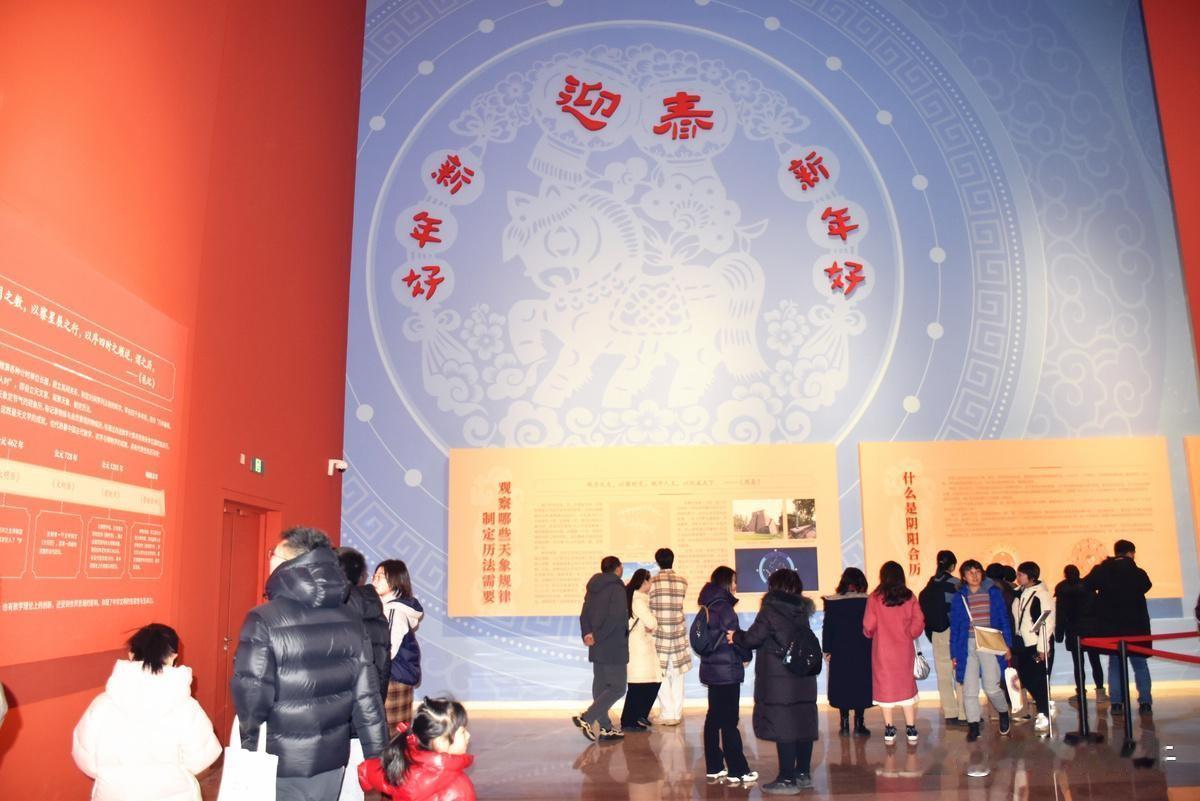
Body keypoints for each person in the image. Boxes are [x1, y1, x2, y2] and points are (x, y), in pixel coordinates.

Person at [232, 526, 388, 801]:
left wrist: (248, 744)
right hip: (333, 760)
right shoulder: (350, 618)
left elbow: (252, 697)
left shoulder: (263, 619)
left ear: (287, 562)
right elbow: (367, 697)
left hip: (281, 762)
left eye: (272, 554)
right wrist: (377, 755)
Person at [72, 624, 221, 801]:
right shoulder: (186, 707)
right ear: (173, 657)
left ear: (131, 655)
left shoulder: (101, 705)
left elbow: (85, 758)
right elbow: (202, 757)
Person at [731, 568, 818, 794]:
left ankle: (786, 779)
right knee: (803, 724)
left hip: (780, 680)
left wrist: (735, 636)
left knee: (784, 727)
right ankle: (803, 774)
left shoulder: (770, 609)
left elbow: (753, 638)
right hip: (803, 677)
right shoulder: (801, 611)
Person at [339, 547, 392, 801]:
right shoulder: (376, 612)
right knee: (354, 789)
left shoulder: (337, 613)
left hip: (337, 719)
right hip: (366, 715)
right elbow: (382, 668)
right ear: (361, 576)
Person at [698, 566, 756, 785]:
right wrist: (746, 655)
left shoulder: (709, 605)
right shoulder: (725, 608)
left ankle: (714, 767)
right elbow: (734, 638)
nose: (736, 585)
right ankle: (738, 770)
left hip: (712, 669)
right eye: (734, 580)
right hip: (727, 671)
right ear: (726, 582)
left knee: (714, 718)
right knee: (730, 720)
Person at [1085, 539, 1153, 716]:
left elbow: (1086, 585)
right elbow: (1147, 586)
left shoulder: (1102, 570)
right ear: (1131, 553)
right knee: (1140, 665)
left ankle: (1116, 703)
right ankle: (1145, 702)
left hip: (1111, 627)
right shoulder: (1138, 573)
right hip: (1136, 628)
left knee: (1114, 665)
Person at [358, 697, 475, 801]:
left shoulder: (399, 766)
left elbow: (367, 769)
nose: (468, 735)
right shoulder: (461, 788)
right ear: (439, 742)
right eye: (463, 732)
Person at [862, 561, 925, 745]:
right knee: (906, 687)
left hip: (882, 650)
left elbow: (868, 625)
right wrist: (909, 633)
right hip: (904, 650)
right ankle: (911, 728)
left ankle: (889, 729)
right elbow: (919, 620)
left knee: (885, 688)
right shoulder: (909, 596)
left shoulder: (874, 598)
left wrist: (870, 634)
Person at [950, 559, 1012, 742]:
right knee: (969, 690)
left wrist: (1007, 645)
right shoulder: (959, 597)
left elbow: (1004, 620)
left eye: (977, 571)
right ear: (963, 576)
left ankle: (1003, 712)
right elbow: (955, 628)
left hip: (989, 643)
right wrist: (954, 653)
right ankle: (973, 725)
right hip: (967, 646)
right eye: (970, 572)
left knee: (992, 687)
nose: (974, 575)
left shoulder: (993, 593)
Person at [574, 555, 629, 741]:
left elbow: (584, 614)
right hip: (614, 646)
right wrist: (597, 636)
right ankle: (587, 718)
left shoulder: (593, 587)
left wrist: (588, 634)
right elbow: (615, 619)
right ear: (618, 568)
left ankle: (605, 727)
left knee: (601, 686)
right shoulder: (617, 588)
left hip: (597, 646)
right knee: (618, 687)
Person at [374, 558, 424, 732]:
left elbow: (387, 649)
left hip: (393, 677)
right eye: (374, 576)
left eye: (381, 576)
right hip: (397, 676)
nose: (375, 580)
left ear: (395, 581)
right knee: (397, 733)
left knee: (389, 734)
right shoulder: (390, 608)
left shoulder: (394, 611)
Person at [822, 567, 873, 737]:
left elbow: (827, 628)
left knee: (842, 685)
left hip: (840, 651)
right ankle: (859, 724)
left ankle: (844, 723)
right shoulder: (868, 601)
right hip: (863, 650)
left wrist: (827, 650)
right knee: (860, 685)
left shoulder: (832, 602)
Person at [918, 550, 964, 726]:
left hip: (937, 634)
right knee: (960, 673)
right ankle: (964, 713)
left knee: (943, 675)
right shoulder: (957, 585)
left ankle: (950, 713)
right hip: (955, 633)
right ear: (952, 566)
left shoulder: (928, 587)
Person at [648, 547, 691, 725]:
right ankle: (677, 713)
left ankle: (667, 714)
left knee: (661, 675)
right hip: (678, 633)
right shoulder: (683, 581)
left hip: (659, 635)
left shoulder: (652, 582)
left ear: (657, 561)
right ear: (672, 560)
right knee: (678, 675)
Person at [1054, 565, 1106, 703]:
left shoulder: (1062, 589)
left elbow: (1060, 614)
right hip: (1091, 630)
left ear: (1065, 574)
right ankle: (1100, 692)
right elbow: (1097, 609)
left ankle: (1081, 693)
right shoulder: (1088, 586)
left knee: (1078, 664)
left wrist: (1059, 634)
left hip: (1073, 631)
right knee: (1095, 661)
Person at [1012, 561, 1054, 733]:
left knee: (1037, 679)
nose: (1018, 577)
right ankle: (1045, 705)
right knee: (1026, 677)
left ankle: (1044, 713)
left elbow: (1047, 622)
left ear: (1031, 576)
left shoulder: (1041, 594)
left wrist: (1043, 647)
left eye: (1021, 574)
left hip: (1037, 644)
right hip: (1024, 644)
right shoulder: (1020, 592)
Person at [622, 568, 663, 731]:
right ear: (644, 582)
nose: (651, 584)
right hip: (640, 648)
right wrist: (652, 624)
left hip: (637, 646)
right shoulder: (638, 600)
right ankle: (632, 719)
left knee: (640, 685)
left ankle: (636, 717)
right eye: (650, 581)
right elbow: (652, 623)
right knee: (644, 684)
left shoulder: (633, 597)